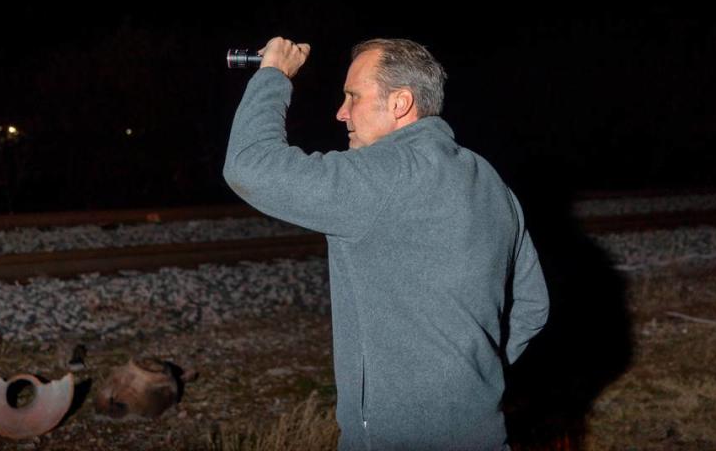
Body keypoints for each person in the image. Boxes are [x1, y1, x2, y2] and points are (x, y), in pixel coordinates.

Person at [223, 36, 549, 450]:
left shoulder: (382, 176)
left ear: (399, 103)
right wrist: (474, 375)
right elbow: (533, 307)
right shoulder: (489, 180)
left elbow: (249, 166)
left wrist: (273, 74)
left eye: (353, 97)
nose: (341, 113)